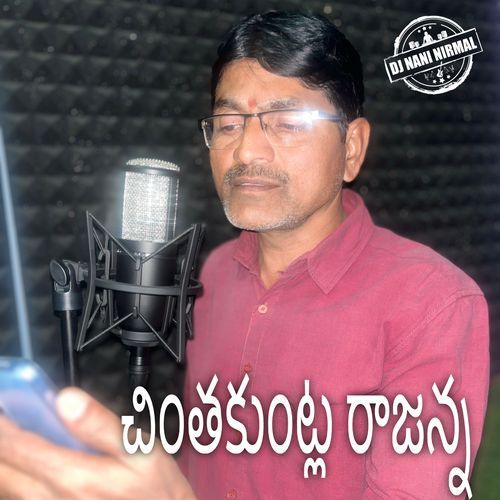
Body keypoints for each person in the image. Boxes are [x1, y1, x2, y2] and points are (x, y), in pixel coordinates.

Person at [0, 11, 489, 500]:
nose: (247, 151)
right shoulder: (213, 274)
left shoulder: (432, 304)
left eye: (288, 122)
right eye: (229, 123)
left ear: (352, 148)